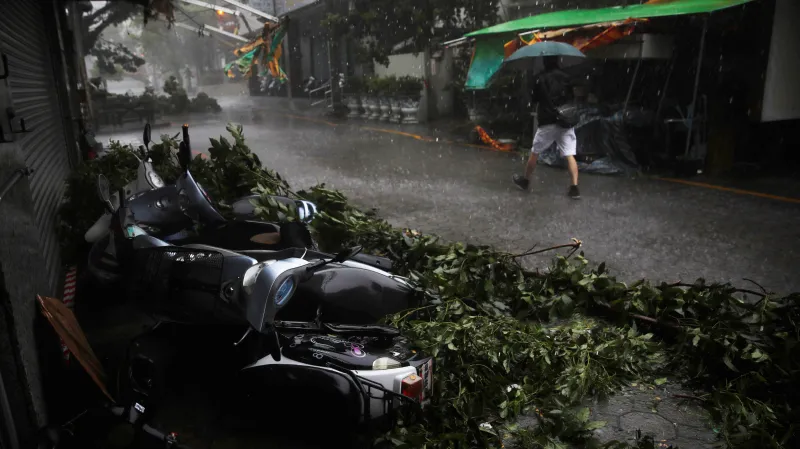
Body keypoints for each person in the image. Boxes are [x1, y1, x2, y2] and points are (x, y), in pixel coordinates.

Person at [513, 56, 580, 199]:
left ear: (544, 62)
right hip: (565, 120)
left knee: (535, 152)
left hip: (547, 121)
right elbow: (570, 97)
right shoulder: (566, 77)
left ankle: (525, 181)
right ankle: (574, 187)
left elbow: (535, 99)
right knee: (569, 154)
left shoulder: (540, 78)